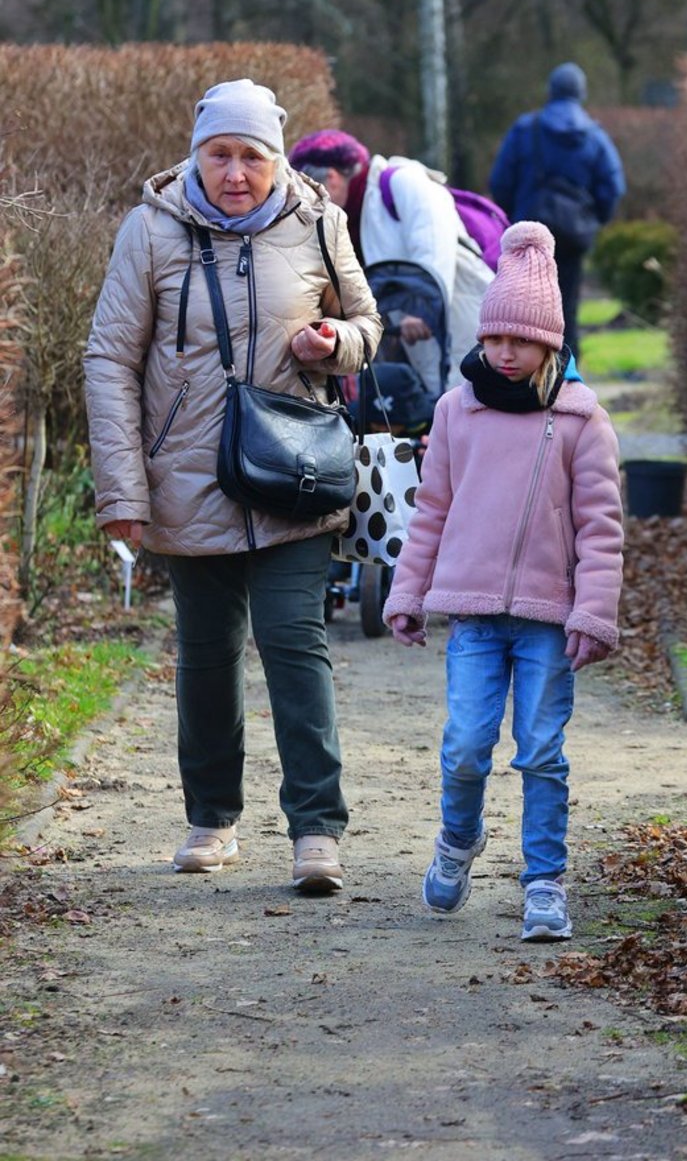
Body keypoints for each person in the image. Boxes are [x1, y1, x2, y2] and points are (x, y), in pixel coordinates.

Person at [83, 79, 382, 893]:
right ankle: (211, 817)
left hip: (294, 469)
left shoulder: (319, 219)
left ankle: (316, 829)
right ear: (197, 154)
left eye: (253, 156)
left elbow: (368, 324)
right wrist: (123, 492)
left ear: (277, 158)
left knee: (295, 642)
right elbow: (108, 360)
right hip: (187, 477)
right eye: (221, 154)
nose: (237, 173)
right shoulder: (150, 231)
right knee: (208, 655)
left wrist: (336, 342)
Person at [381, 221, 624, 942]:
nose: (505, 351)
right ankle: (459, 839)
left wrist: (594, 612)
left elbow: (603, 528)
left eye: (520, 340)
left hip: (550, 619)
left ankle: (544, 881)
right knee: (465, 743)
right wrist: (407, 592)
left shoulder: (581, 420)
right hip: (476, 619)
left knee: (542, 749)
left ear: (549, 342)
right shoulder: (457, 413)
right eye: (495, 338)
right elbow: (431, 510)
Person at [287, 130, 492, 387]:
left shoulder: (403, 181)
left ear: (332, 178)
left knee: (472, 395)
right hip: (418, 337)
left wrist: (421, 309)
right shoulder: (351, 217)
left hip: (464, 316)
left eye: (314, 192)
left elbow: (433, 243)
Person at [488, 63, 626, 360]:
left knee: (525, 305)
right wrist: (594, 220)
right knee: (567, 303)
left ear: (550, 90)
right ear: (581, 92)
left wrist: (513, 217)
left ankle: (526, 371)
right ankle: (568, 374)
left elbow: (500, 180)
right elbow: (613, 186)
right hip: (574, 234)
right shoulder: (594, 135)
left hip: (529, 232)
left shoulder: (526, 129)